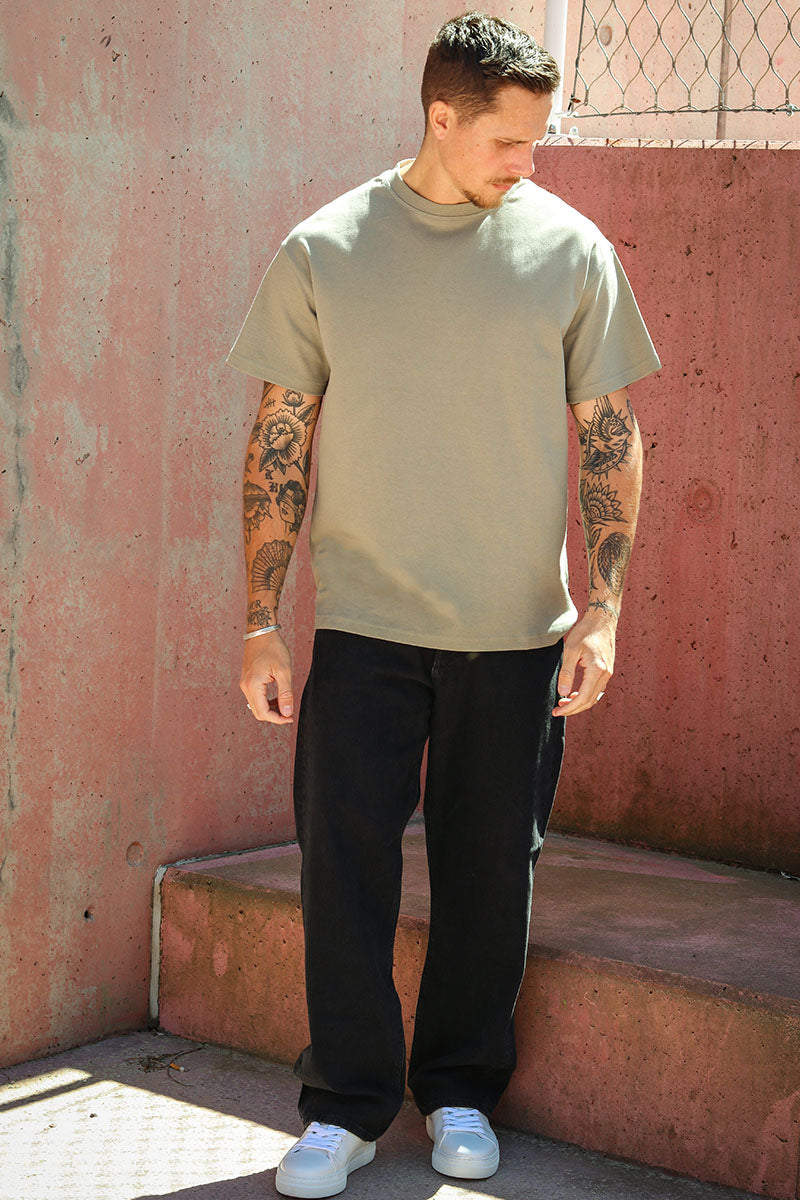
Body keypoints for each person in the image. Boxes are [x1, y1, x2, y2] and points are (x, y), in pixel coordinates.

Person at [227, 11, 660, 1197]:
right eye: (509, 140)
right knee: (342, 872)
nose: (528, 160)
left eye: (537, 138)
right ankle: (345, 1107)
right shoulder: (325, 249)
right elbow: (278, 437)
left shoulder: (570, 250)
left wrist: (605, 607)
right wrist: (260, 619)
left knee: (490, 874)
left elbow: (609, 435)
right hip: (362, 627)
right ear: (440, 116)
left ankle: (460, 1091)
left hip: (516, 634)